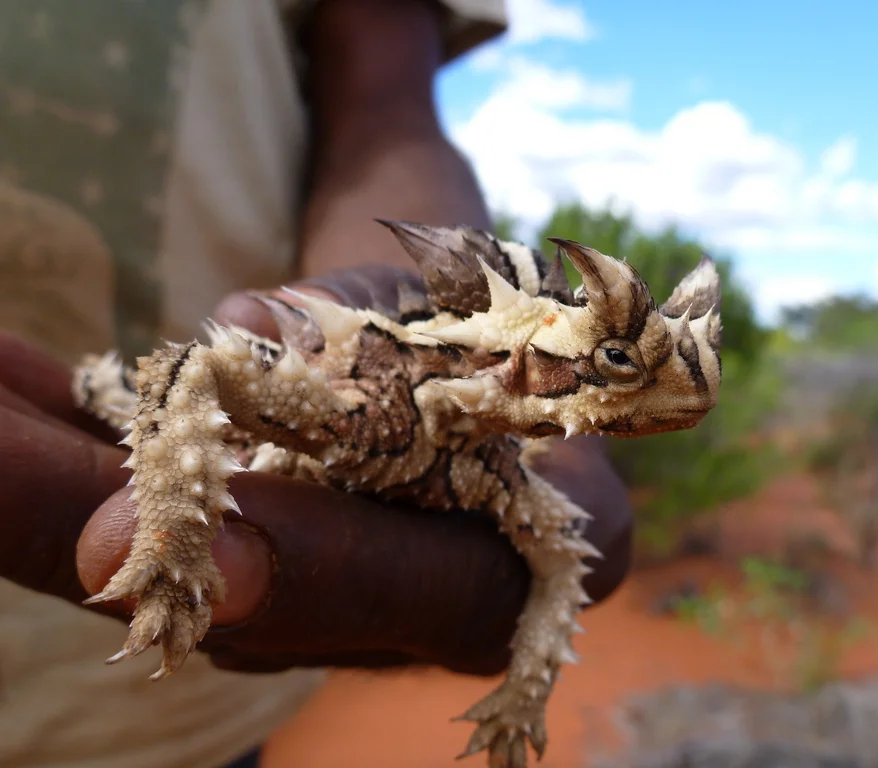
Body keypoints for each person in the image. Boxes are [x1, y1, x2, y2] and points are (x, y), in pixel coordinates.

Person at [0, 2, 633, 767]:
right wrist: (172, 520)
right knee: (135, 399)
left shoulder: (502, 475)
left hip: (170, 718)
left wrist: (523, 688)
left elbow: (387, 113)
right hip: (206, 451)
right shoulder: (358, 402)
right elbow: (196, 368)